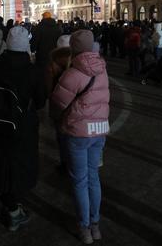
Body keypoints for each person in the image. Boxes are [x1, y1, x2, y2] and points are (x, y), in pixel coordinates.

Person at [51, 29, 110, 244]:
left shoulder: (73, 73)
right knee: (94, 177)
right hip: (100, 130)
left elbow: (58, 102)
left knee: (80, 180)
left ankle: (84, 227)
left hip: (78, 132)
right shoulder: (102, 69)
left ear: (74, 49)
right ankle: (95, 224)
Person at [0, 26, 45, 231]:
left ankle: (2, 200)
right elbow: (39, 101)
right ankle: (13, 211)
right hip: (23, 125)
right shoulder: (31, 70)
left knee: (1, 160)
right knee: (19, 164)